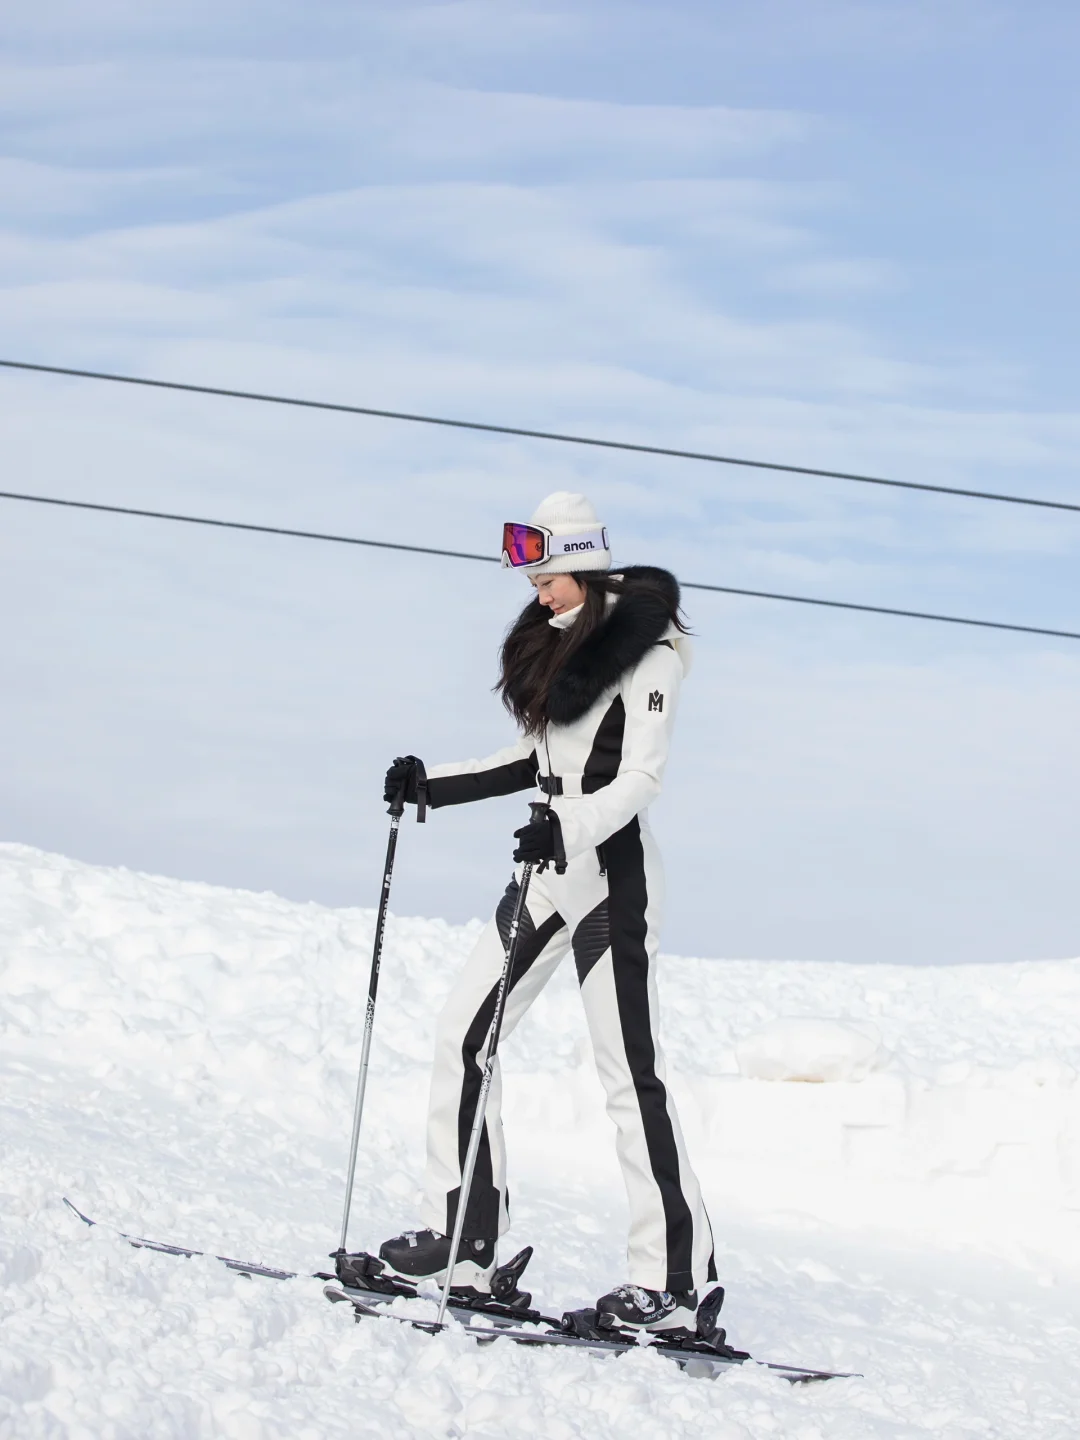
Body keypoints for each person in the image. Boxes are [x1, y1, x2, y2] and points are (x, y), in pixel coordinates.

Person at [379, 491, 715, 1333]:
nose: (534, 588)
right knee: (463, 1036)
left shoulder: (652, 653)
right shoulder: (560, 643)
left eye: (546, 572)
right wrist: (434, 786)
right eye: (529, 574)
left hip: (611, 878)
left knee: (626, 1074)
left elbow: (641, 779)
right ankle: (464, 1240)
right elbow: (535, 760)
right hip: (546, 868)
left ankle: (675, 1285)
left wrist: (568, 823)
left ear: (581, 562)